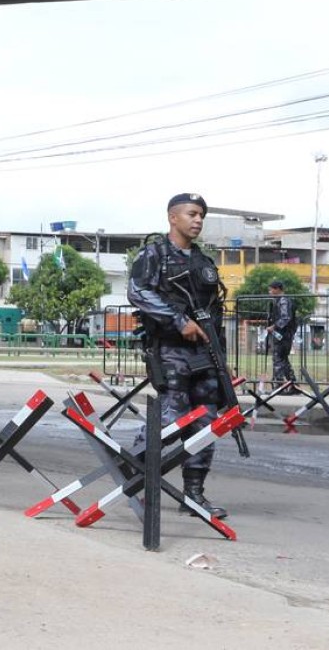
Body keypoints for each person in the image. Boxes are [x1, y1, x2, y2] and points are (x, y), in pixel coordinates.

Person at [128, 192, 229, 519]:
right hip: (170, 349)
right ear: (173, 217)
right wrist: (177, 320)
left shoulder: (203, 261)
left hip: (205, 354)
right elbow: (138, 291)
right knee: (170, 418)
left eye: (201, 215)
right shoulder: (154, 254)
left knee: (205, 421)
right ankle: (133, 479)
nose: (198, 220)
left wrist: (221, 359)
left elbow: (215, 312)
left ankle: (194, 494)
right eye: (191, 213)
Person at [266, 279, 299, 392]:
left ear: (277, 289)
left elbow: (285, 318)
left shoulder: (283, 301)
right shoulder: (280, 301)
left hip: (283, 335)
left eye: (271, 289)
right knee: (283, 360)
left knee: (278, 359)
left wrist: (273, 327)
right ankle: (293, 385)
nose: (269, 291)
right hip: (284, 334)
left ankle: (279, 385)